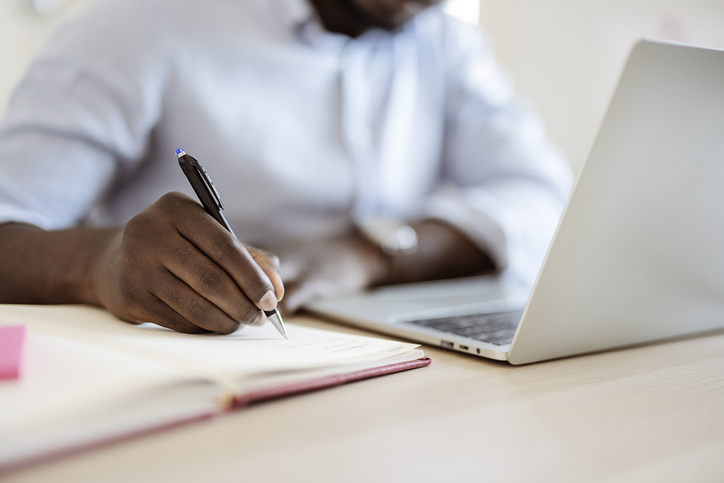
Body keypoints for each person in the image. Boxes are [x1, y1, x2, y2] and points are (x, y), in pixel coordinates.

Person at [0, 0, 572, 334]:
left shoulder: (440, 35)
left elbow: (543, 195)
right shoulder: (140, 22)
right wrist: (101, 262)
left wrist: (373, 254)